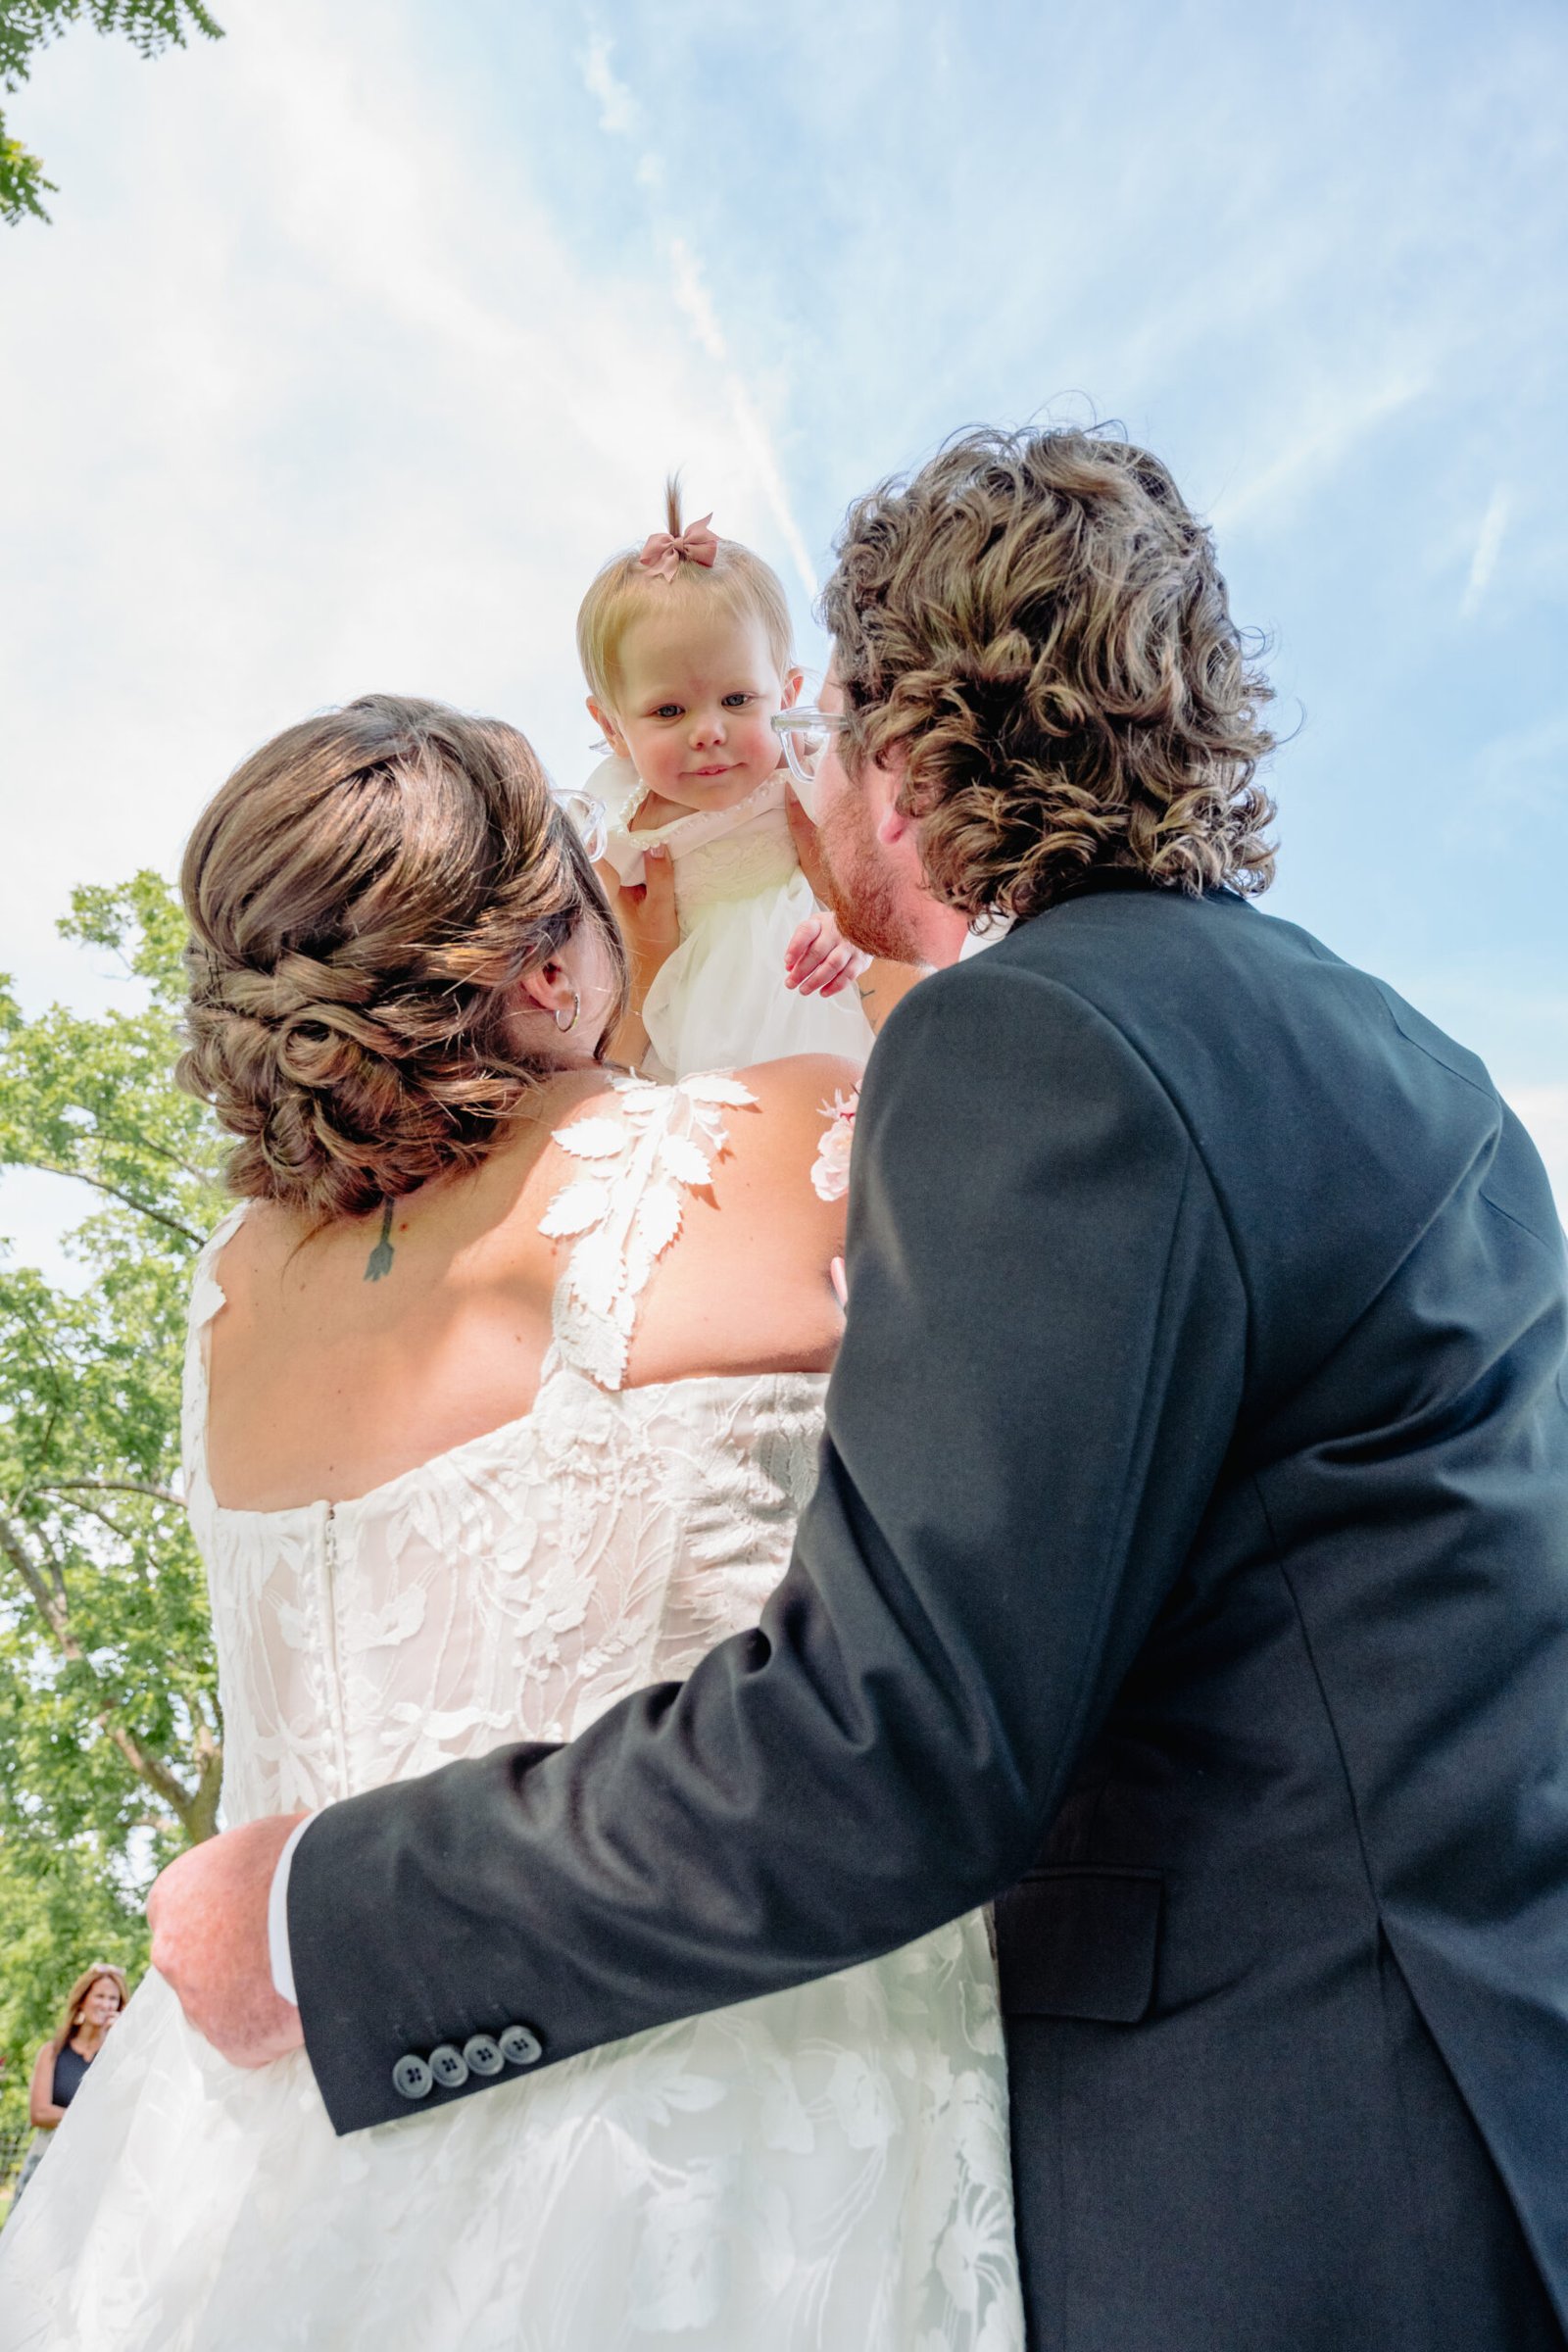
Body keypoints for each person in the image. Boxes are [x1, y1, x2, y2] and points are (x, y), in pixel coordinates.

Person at [151, 424, 1568, 2350]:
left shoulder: (1024, 1050)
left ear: (902, 758)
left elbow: (897, 1732)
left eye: (816, 725)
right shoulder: (1407, 1065)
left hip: (1250, 2171)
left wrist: (323, 1915)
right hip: (1453, 2112)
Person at [0, 695, 1021, 2350]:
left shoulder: (228, 1294)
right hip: (713, 2134)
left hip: (250, 2145)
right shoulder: (786, 1136)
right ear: (545, 972)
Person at [576, 480, 920, 1077]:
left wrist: (851, 929)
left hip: (820, 984)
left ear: (786, 696)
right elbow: (605, 955)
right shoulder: (619, 820)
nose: (708, 732)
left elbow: (886, 877)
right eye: (668, 711)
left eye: (736, 700)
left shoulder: (809, 770)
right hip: (694, 1013)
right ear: (613, 728)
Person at [9, 1965, 126, 2206]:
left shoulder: (119, 2058)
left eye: (113, 1999)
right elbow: (40, 2113)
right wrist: (90, 2116)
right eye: (100, 1996)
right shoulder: (53, 2052)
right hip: (48, 2159)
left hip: (93, 2168)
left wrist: (119, 2040)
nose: (106, 2005)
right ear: (82, 2001)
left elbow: (119, 2112)